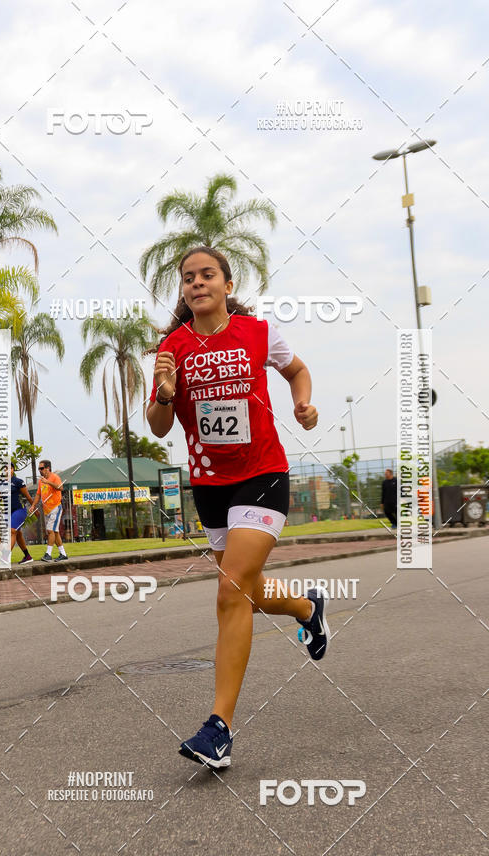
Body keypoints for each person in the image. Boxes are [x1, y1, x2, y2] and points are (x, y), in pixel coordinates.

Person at [146, 246, 330, 769]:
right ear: (183, 290)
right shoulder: (172, 348)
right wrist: (164, 391)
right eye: (188, 278)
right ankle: (306, 608)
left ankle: (218, 729)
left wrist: (303, 402)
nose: (197, 283)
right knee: (244, 589)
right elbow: (159, 425)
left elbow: (297, 370)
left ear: (227, 285)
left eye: (207, 275)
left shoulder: (258, 332)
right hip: (210, 485)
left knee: (230, 591)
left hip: (263, 475)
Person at [28, 459, 68, 562]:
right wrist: (33, 505)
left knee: (50, 531)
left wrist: (48, 482)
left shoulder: (54, 477)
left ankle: (48, 554)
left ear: (47, 468)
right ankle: (63, 554)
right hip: (46, 510)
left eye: (41, 468)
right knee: (55, 531)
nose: (40, 470)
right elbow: (38, 494)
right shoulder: (41, 481)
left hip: (55, 507)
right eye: (39, 469)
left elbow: (60, 487)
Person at [10, 464, 33, 563]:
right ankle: (27, 556)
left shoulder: (18, 482)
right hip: (9, 512)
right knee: (18, 534)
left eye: (10, 468)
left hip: (20, 510)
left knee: (12, 531)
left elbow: (28, 496)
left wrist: (33, 507)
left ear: (13, 470)